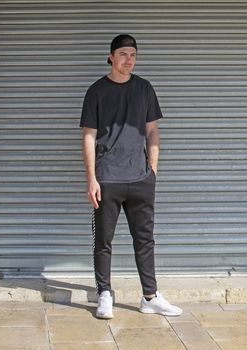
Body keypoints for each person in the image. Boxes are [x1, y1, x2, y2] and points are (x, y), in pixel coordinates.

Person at [80, 34, 182, 319]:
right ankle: (104, 294)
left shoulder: (144, 89)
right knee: (103, 240)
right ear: (111, 56)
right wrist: (91, 178)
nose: (129, 60)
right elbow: (88, 136)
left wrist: (153, 170)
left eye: (133, 55)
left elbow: (152, 131)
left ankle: (150, 296)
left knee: (145, 239)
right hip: (107, 178)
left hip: (140, 178)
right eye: (123, 54)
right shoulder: (96, 91)